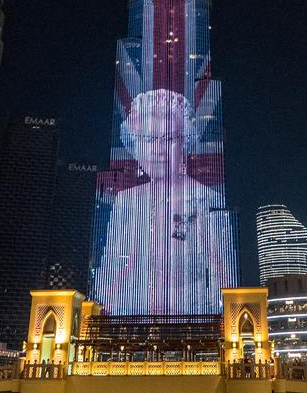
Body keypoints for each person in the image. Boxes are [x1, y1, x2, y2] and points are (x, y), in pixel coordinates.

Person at [92, 89, 236, 314]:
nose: (158, 150)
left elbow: (223, 270)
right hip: (136, 312)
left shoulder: (208, 199)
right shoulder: (126, 201)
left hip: (193, 312)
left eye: (169, 139)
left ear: (185, 143)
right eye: (149, 139)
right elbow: (115, 268)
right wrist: (104, 309)